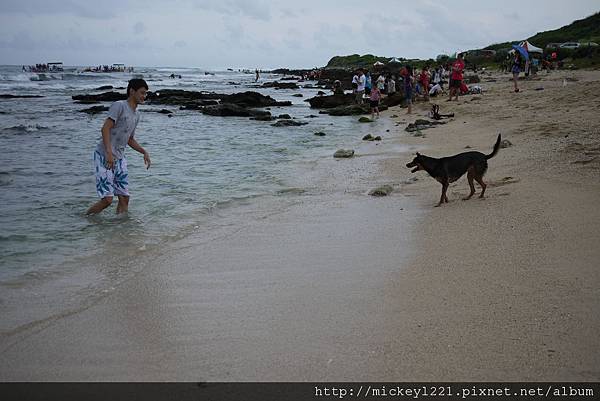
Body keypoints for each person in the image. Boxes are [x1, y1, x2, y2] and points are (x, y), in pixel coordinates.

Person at [86, 79, 151, 215]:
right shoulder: (119, 106)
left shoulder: (137, 115)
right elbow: (105, 128)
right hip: (104, 155)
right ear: (132, 91)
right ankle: (86, 218)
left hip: (120, 158)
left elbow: (130, 139)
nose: (144, 96)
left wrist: (143, 151)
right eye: (142, 93)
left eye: (146, 94)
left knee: (124, 198)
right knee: (107, 200)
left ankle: (120, 230)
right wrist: (109, 153)